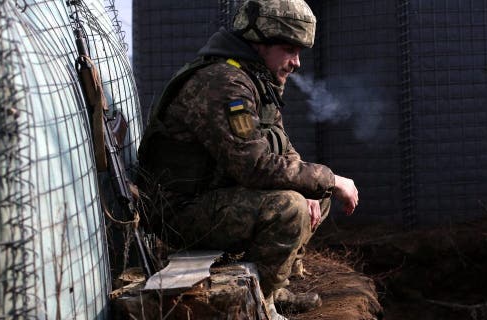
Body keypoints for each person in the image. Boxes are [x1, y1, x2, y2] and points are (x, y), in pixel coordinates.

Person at [137, 0, 358, 318]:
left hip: (213, 198)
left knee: (314, 193)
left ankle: (274, 287)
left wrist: (319, 185)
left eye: (299, 52)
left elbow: (282, 149)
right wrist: (331, 180)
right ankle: (257, 305)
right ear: (258, 42)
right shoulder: (226, 84)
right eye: (288, 49)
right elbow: (253, 166)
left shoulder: (256, 80)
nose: (296, 62)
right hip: (180, 211)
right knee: (290, 209)